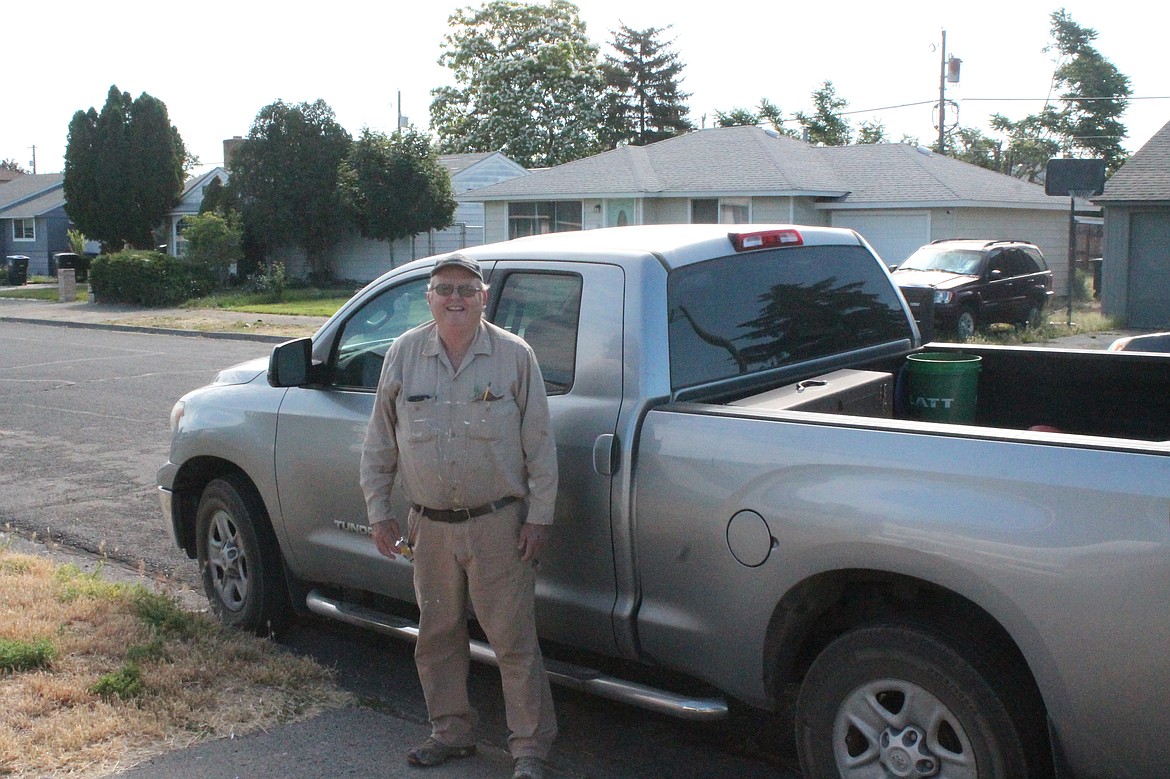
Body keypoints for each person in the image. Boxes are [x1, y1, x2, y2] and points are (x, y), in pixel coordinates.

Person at [360, 253, 558, 779]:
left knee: (513, 641)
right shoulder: (403, 355)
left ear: (483, 298)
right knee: (437, 636)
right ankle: (450, 734)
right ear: (428, 297)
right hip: (429, 525)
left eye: (466, 290)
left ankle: (530, 751)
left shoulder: (515, 356)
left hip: (499, 524)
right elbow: (380, 442)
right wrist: (380, 513)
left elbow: (540, 444)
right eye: (444, 289)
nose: (455, 298)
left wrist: (539, 517)